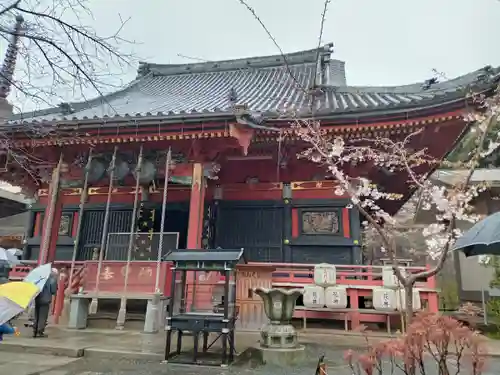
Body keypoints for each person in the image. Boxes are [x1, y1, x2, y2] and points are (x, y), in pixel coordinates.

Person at [33, 268, 58, 338]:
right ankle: (39, 331)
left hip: (37, 298)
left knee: (36, 315)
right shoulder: (52, 280)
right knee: (43, 316)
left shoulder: (40, 278)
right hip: (45, 299)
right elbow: (53, 291)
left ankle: (34, 330)